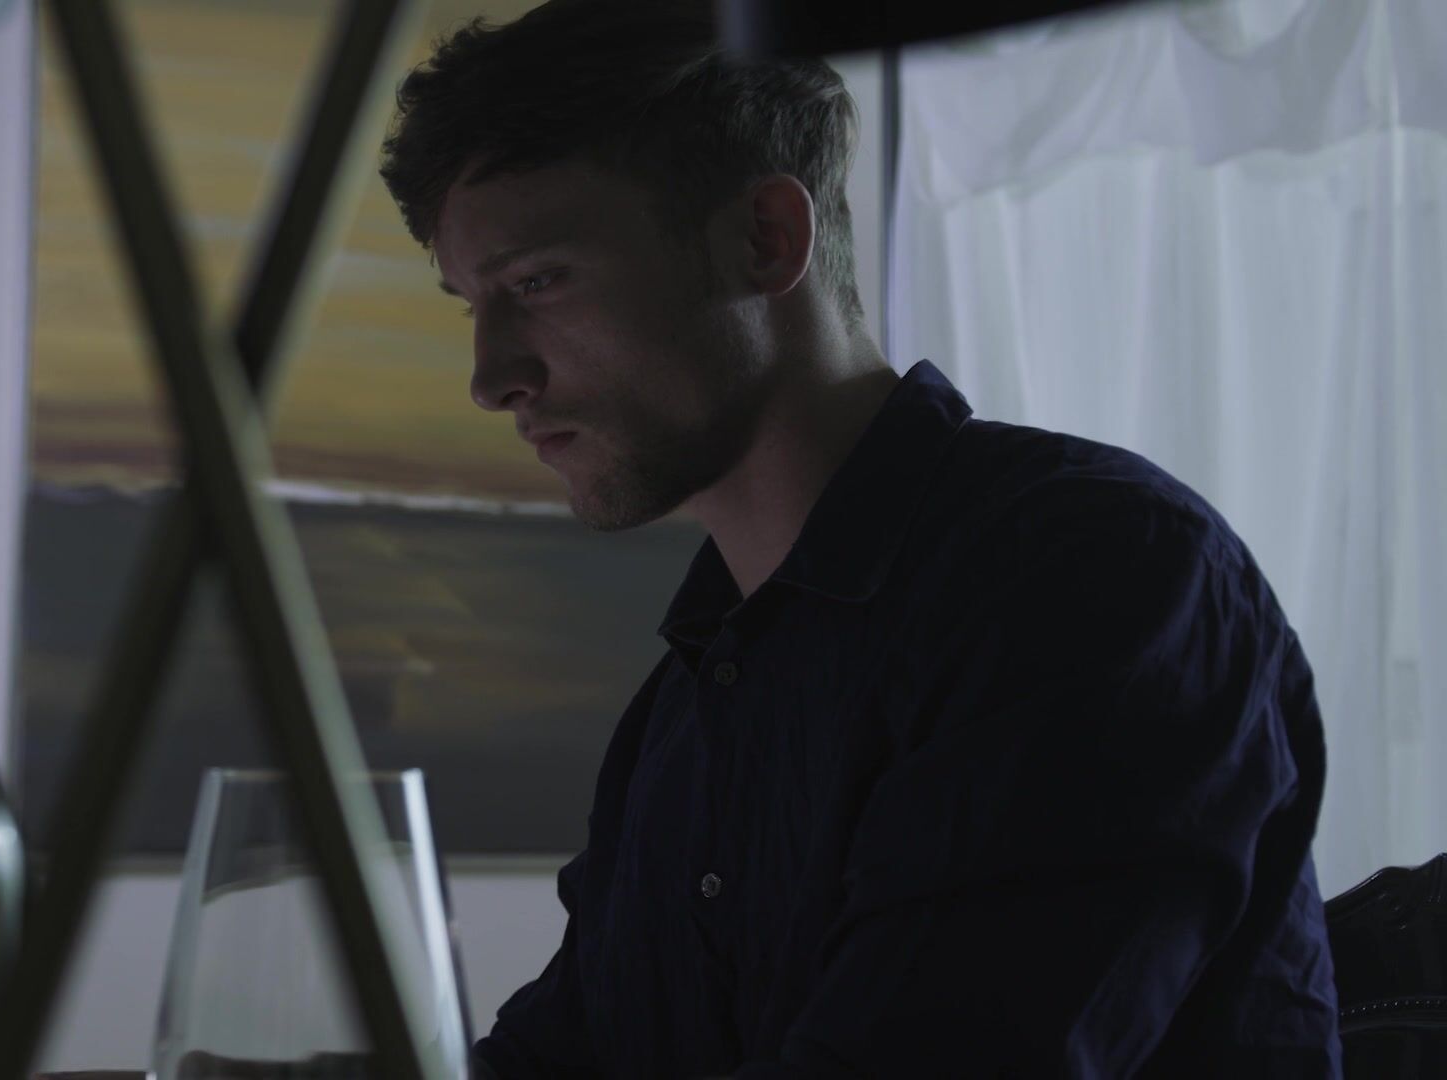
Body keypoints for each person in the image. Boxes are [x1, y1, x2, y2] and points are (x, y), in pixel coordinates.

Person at [377, 1, 1343, 1076]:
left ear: (765, 239)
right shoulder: (689, 703)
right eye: (473, 303)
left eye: (537, 282)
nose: (491, 377)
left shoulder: (1095, 578)